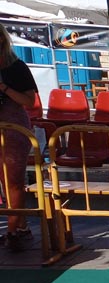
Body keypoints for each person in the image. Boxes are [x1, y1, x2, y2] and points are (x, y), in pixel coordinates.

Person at [0, 24, 38, 252]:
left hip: (14, 129)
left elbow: (29, 101)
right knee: (5, 183)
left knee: (13, 180)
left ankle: (12, 229)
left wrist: (3, 88)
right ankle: (21, 224)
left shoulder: (17, 67)